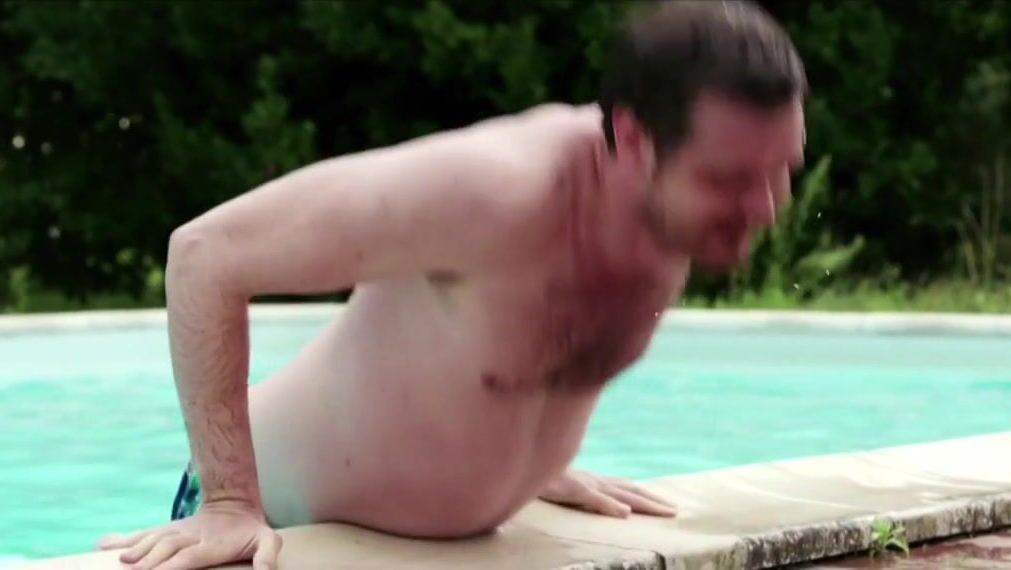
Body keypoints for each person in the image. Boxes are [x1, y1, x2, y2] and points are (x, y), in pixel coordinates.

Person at [97, 1, 807, 569]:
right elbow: (205, 255)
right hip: (280, 530)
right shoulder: (492, 191)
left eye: (781, 171)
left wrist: (532, 461)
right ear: (632, 138)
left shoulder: (675, 214)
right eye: (730, 180)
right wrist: (229, 502)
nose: (765, 207)